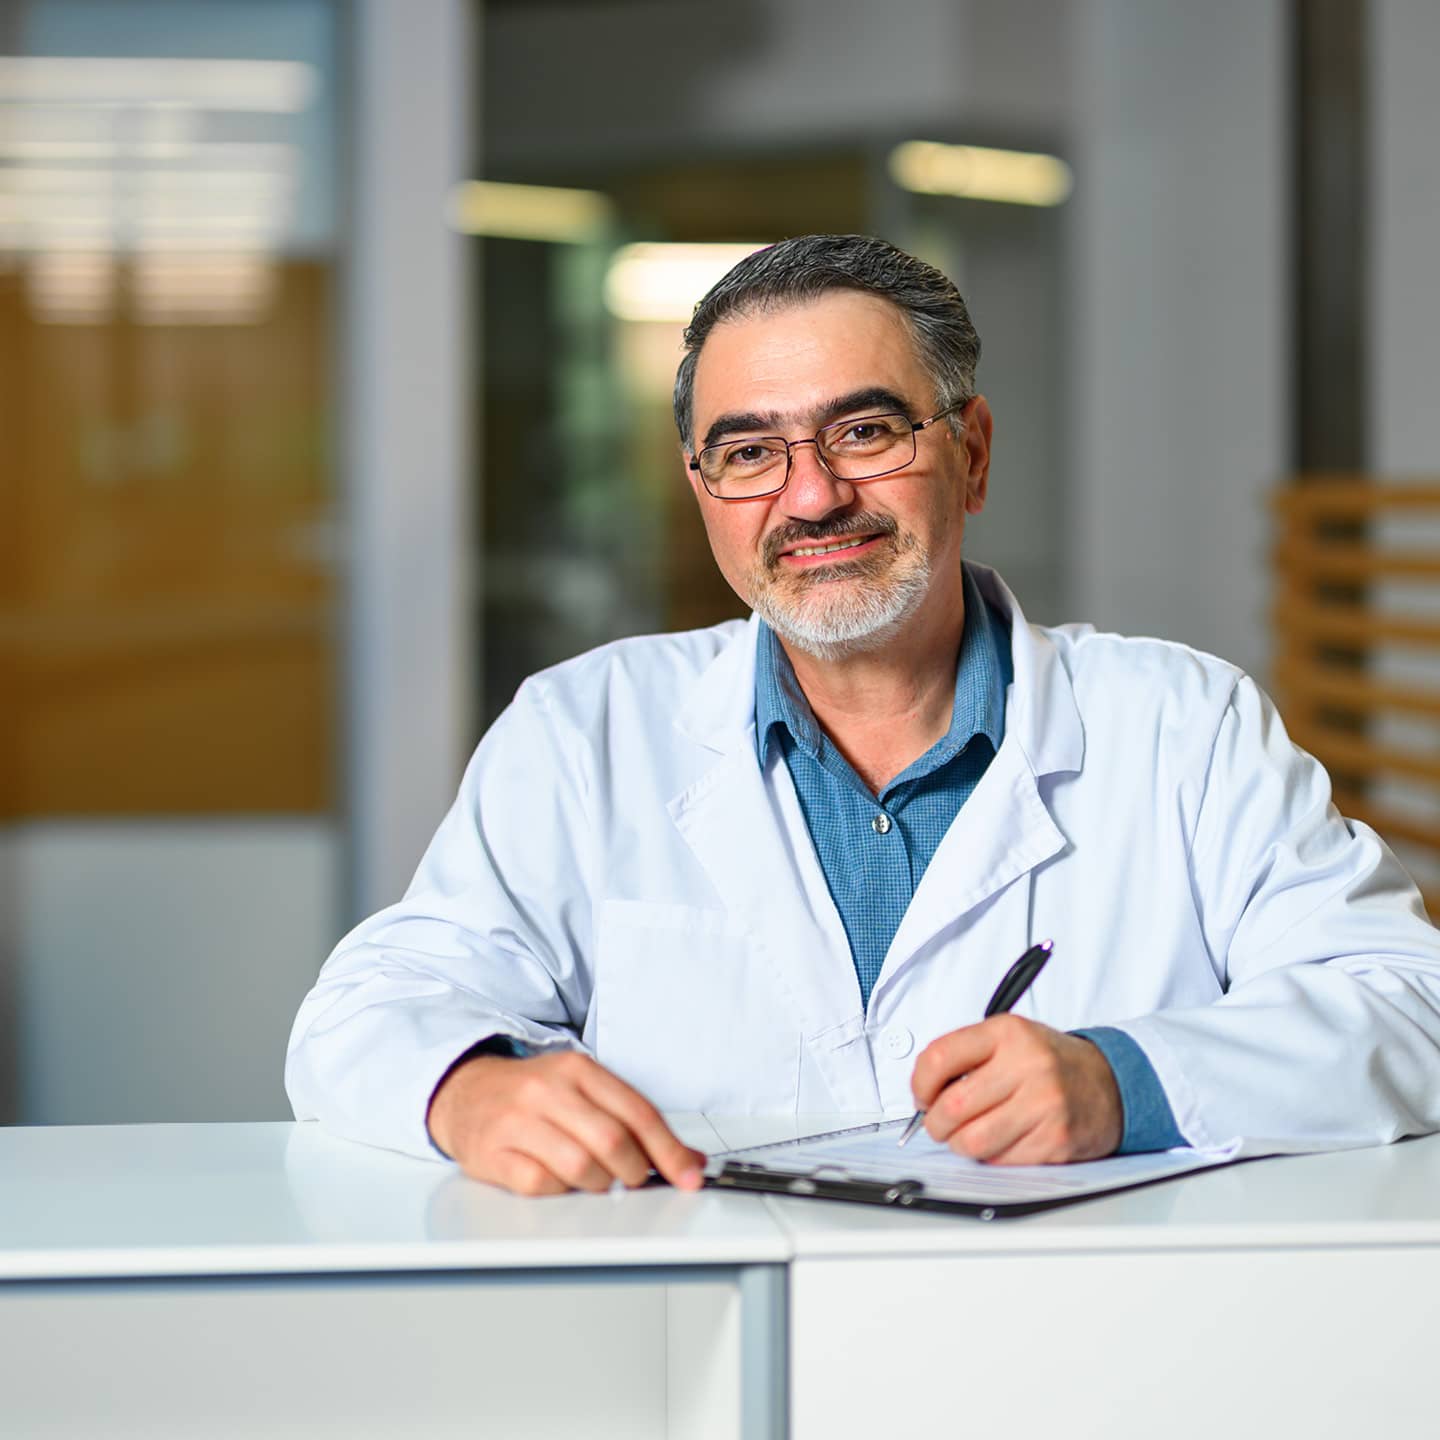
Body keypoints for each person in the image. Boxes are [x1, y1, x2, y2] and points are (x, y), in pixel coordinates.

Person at [286, 234, 1440, 1196]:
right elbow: (366, 1010)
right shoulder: (585, 727)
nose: (812, 494)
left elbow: (1409, 1008)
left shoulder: (1182, 725)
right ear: (706, 496)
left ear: (972, 455)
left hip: (1085, 1350)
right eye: (749, 452)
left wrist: (1123, 1081)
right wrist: (470, 1088)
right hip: (709, 1346)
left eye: (865, 431)